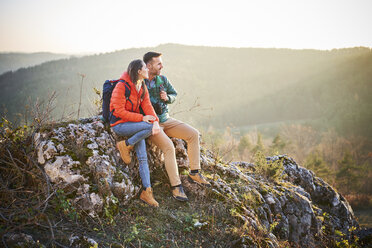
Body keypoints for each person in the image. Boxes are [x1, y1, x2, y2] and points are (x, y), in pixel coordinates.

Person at [143, 52, 211, 202]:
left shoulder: (163, 80)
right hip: (152, 125)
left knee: (193, 134)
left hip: (166, 120)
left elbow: (174, 94)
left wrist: (168, 98)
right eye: (159, 63)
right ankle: (176, 187)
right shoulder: (140, 82)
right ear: (148, 66)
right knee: (169, 147)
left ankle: (194, 172)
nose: (162, 66)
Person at [110, 59, 161, 207]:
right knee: (147, 127)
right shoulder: (121, 86)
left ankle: (147, 192)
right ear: (139, 71)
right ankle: (125, 145)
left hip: (134, 125)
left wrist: (155, 120)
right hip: (120, 125)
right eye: (145, 67)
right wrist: (142, 118)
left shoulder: (141, 85)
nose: (148, 69)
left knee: (143, 157)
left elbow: (147, 105)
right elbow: (118, 111)